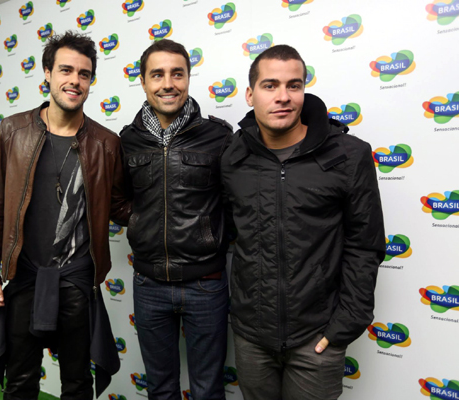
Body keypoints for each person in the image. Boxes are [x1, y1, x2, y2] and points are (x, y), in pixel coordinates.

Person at [221, 44, 385, 400]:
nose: (283, 96)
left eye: (294, 85)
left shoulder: (349, 154)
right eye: (270, 85)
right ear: (250, 95)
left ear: (304, 90)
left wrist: (344, 325)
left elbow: (366, 245)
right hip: (252, 337)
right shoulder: (233, 157)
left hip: (317, 339)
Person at [0, 31, 130, 400]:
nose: (74, 80)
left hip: (78, 277)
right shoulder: (13, 130)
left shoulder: (106, 143)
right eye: (65, 70)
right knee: (20, 380)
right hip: (25, 274)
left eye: (84, 73)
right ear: (47, 73)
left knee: (77, 382)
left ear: (91, 81)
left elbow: (120, 206)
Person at [120, 39, 233, 400]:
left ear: (187, 77)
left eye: (177, 74)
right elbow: (115, 198)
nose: (168, 83)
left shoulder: (218, 136)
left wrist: (210, 234)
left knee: (207, 390)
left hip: (206, 284)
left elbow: (236, 202)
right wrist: (139, 220)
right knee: (161, 388)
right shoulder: (127, 140)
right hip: (148, 283)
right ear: (143, 81)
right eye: (157, 74)